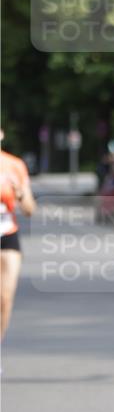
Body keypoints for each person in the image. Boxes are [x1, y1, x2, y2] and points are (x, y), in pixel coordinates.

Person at [0, 128, 36, 357]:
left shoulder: (14, 165)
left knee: (4, 298)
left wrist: (21, 193)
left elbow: (30, 210)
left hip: (7, 233)